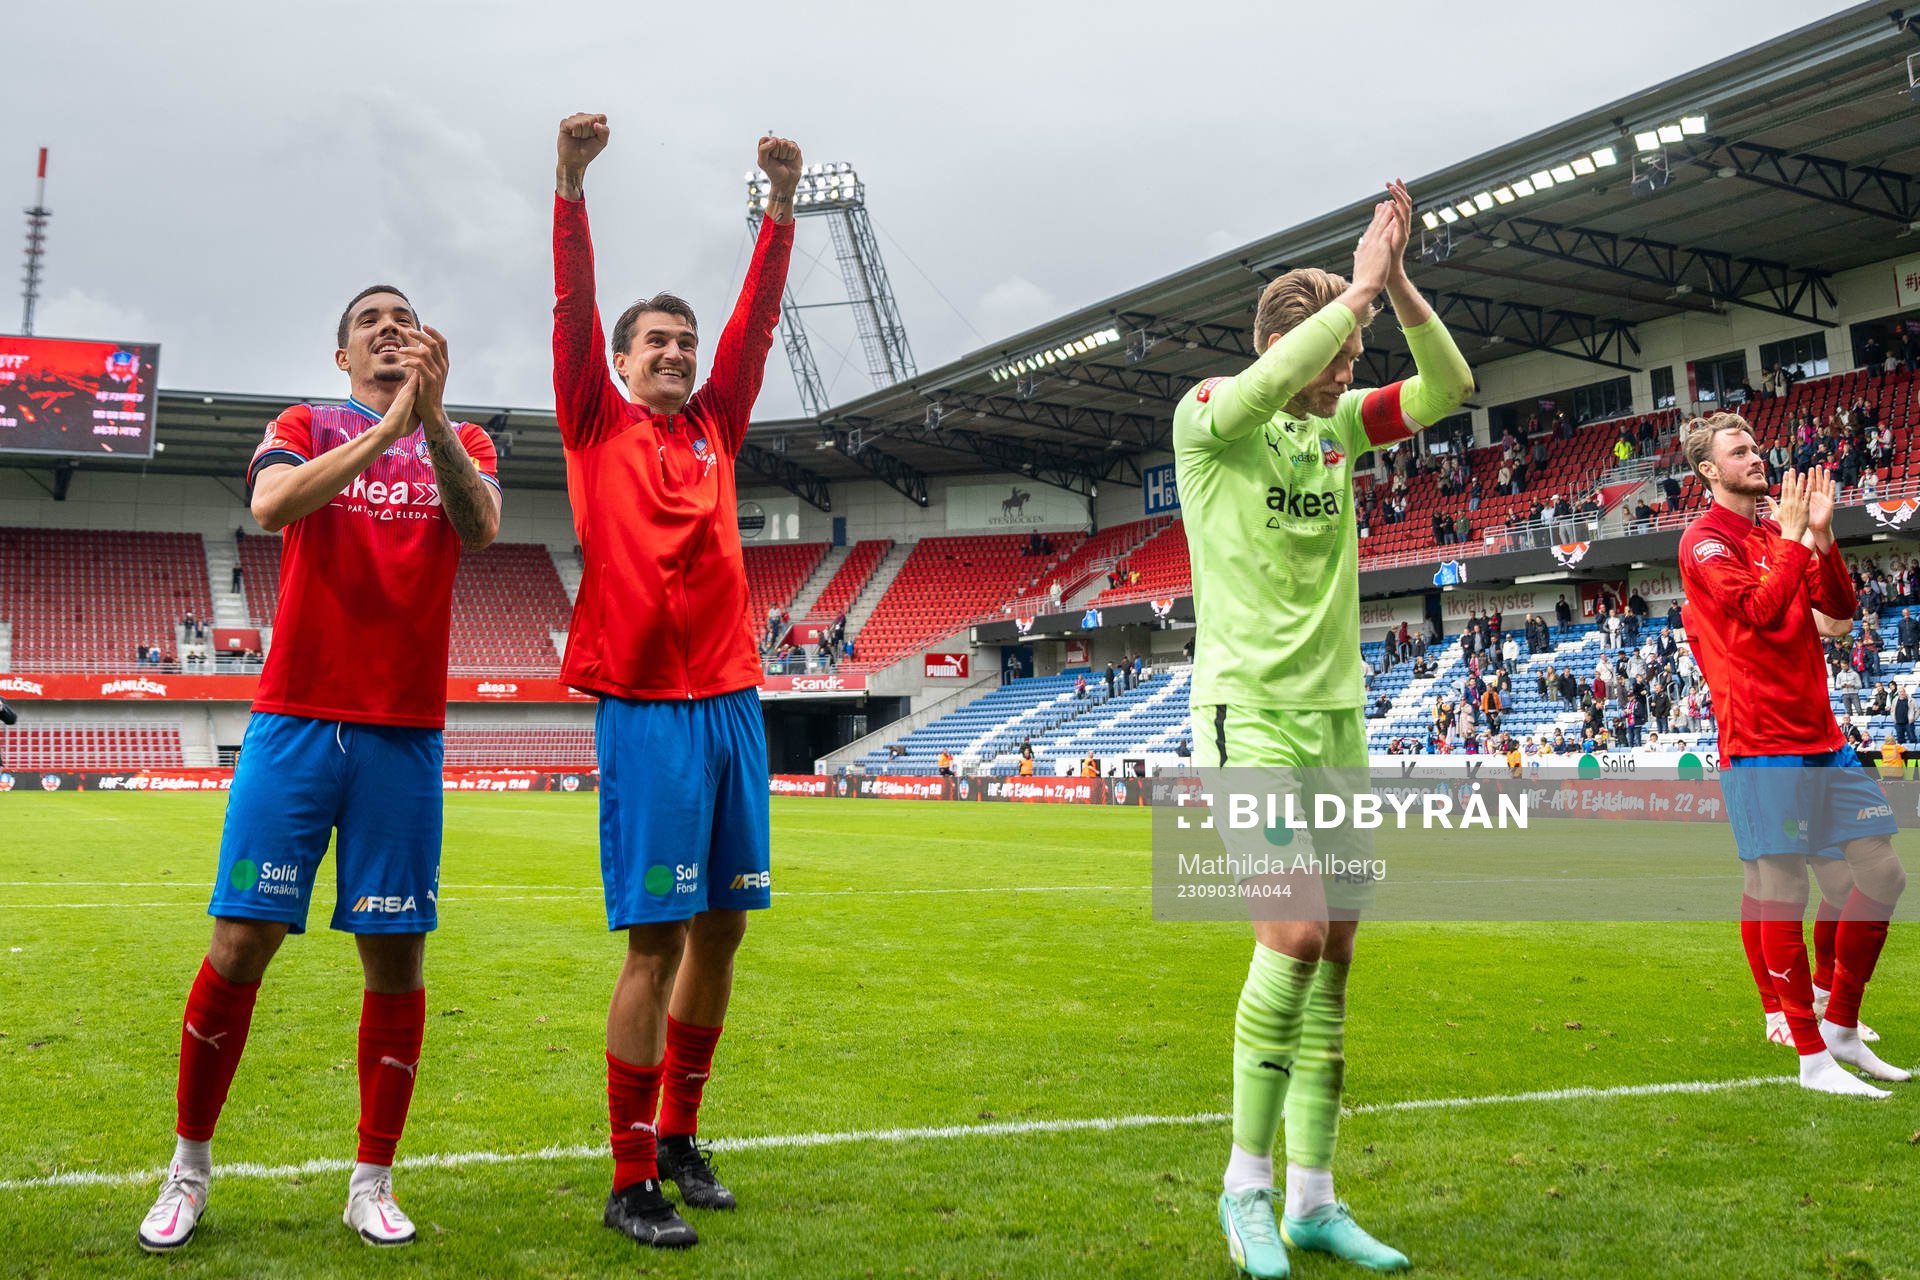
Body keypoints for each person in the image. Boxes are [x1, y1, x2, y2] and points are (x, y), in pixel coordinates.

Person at [136, 285, 502, 1253]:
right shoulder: (304, 423)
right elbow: (270, 504)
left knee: (397, 956)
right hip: (295, 721)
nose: (391, 328)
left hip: (401, 733)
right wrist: (387, 430)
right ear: (342, 354)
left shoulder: (467, 442)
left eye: (406, 319)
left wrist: (429, 426)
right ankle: (189, 1167)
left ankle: (371, 1180)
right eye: (370, 321)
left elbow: (481, 525)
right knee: (241, 941)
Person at [1175, 181, 1471, 1277]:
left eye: (1349, 359)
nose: (1349, 376)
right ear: (1287, 345)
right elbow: (1264, 384)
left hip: (1339, 721)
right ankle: (1242, 1189)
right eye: (1337, 356)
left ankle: (1312, 1198)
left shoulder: (1339, 429)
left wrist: (1392, 282)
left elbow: (1450, 385)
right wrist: (1351, 290)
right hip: (1247, 714)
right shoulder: (1210, 415)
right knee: (1291, 935)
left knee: (1336, 956)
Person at [552, 112, 799, 1249]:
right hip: (648, 712)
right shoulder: (594, 420)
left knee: (722, 932)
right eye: (656, 341)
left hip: (734, 705)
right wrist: (570, 184)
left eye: (685, 344)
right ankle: (628, 1170)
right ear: (619, 357)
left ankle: (685, 1131)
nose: (677, 355)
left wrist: (782, 210)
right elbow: (570, 306)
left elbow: (754, 329)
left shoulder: (716, 425)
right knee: (652, 944)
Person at [1677, 414, 1907, 1097]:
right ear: (1709, 471)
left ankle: (1840, 1025)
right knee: (1782, 889)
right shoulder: (1705, 542)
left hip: (1823, 736)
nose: (1756, 456)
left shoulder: (1774, 533)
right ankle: (1810, 1056)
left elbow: (1839, 606)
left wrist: (1824, 538)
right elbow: (1759, 609)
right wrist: (1793, 540)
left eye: (1755, 445)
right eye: (1738, 450)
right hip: (1762, 742)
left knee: (1883, 875)